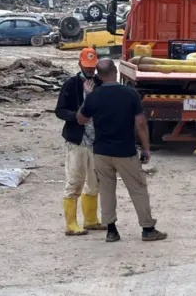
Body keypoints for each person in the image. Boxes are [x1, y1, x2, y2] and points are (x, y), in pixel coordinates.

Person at [77, 58, 167, 243]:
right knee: (138, 189)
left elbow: (80, 119)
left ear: (99, 76)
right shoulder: (130, 93)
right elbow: (140, 123)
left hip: (101, 152)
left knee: (107, 191)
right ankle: (148, 229)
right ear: (115, 72)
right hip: (125, 151)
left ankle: (111, 231)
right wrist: (146, 149)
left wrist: (87, 95)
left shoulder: (94, 95)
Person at [55, 48, 106, 236]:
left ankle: (91, 220)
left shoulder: (101, 85)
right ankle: (71, 224)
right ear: (79, 65)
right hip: (77, 141)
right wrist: (75, 116)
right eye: (87, 67)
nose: (90, 71)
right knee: (75, 181)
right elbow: (60, 110)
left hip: (96, 142)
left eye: (93, 68)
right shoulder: (71, 85)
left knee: (95, 183)